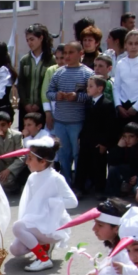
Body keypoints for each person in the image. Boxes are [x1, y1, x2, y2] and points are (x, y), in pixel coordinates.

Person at [9, 137, 78, 272]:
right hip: (36, 223)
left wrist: (52, 203)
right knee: (16, 250)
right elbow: (29, 203)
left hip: (51, 226)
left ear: (43, 161)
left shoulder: (56, 178)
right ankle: (45, 247)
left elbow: (73, 202)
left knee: (17, 227)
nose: (27, 161)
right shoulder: (32, 177)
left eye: (30, 158)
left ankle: (43, 259)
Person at [46, 42, 93, 182]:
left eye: (71, 53)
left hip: (77, 122)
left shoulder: (87, 73)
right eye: (65, 53)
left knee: (78, 154)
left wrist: (77, 97)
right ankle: (66, 181)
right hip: (60, 121)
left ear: (80, 54)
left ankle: (80, 182)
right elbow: (49, 92)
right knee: (63, 153)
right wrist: (56, 96)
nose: (67, 56)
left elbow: (91, 96)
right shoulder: (58, 72)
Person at [76, 75, 117, 197]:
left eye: (90, 86)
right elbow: (86, 122)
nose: (87, 89)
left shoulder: (107, 104)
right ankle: (79, 188)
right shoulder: (88, 103)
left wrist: (104, 143)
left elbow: (110, 126)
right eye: (87, 86)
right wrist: (81, 136)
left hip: (98, 142)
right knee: (82, 165)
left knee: (99, 166)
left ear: (100, 88)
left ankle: (99, 189)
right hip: (86, 139)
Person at [18, 24, 56, 128]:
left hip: (43, 107)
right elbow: (21, 84)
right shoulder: (24, 60)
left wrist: (38, 103)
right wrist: (26, 104)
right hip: (25, 108)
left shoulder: (51, 60)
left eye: (32, 39)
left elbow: (50, 84)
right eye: (27, 40)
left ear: (41, 38)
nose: (29, 43)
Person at [105, 122, 138, 198]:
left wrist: (136, 176)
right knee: (113, 169)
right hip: (129, 173)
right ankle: (113, 196)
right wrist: (118, 147)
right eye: (125, 137)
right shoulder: (123, 145)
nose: (127, 140)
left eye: (131, 137)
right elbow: (111, 162)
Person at [40, 44, 66, 132]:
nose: (59, 61)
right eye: (57, 58)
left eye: (62, 58)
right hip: (53, 110)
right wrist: (48, 113)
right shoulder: (51, 70)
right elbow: (45, 92)